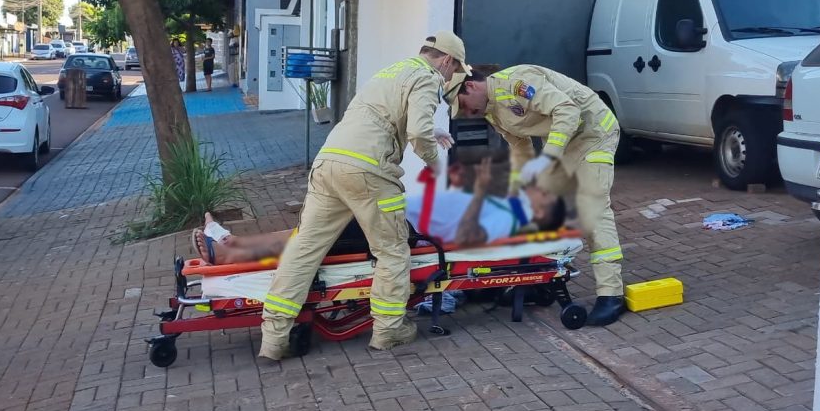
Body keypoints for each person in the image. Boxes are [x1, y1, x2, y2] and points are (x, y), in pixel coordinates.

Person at [254, 32, 471, 360]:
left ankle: (272, 338)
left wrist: (431, 132)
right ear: (446, 60)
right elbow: (416, 132)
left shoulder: (392, 70)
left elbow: (384, 117)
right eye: (452, 70)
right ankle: (388, 330)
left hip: (329, 164)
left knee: (305, 249)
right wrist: (434, 164)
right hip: (369, 173)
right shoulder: (427, 78)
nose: (449, 77)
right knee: (392, 251)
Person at [446, 65, 625, 327]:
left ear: (470, 86)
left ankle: (611, 294)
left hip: (593, 133)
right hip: (566, 142)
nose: (464, 113)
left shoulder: (517, 83)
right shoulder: (492, 110)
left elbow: (567, 110)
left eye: (462, 104)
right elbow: (520, 146)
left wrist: (549, 157)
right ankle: (540, 280)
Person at [192, 157, 567, 265]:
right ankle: (232, 242)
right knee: (313, 228)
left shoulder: (505, 221)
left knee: (315, 238)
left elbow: (461, 236)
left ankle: (229, 250)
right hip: (392, 208)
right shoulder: (507, 200)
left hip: (401, 229)